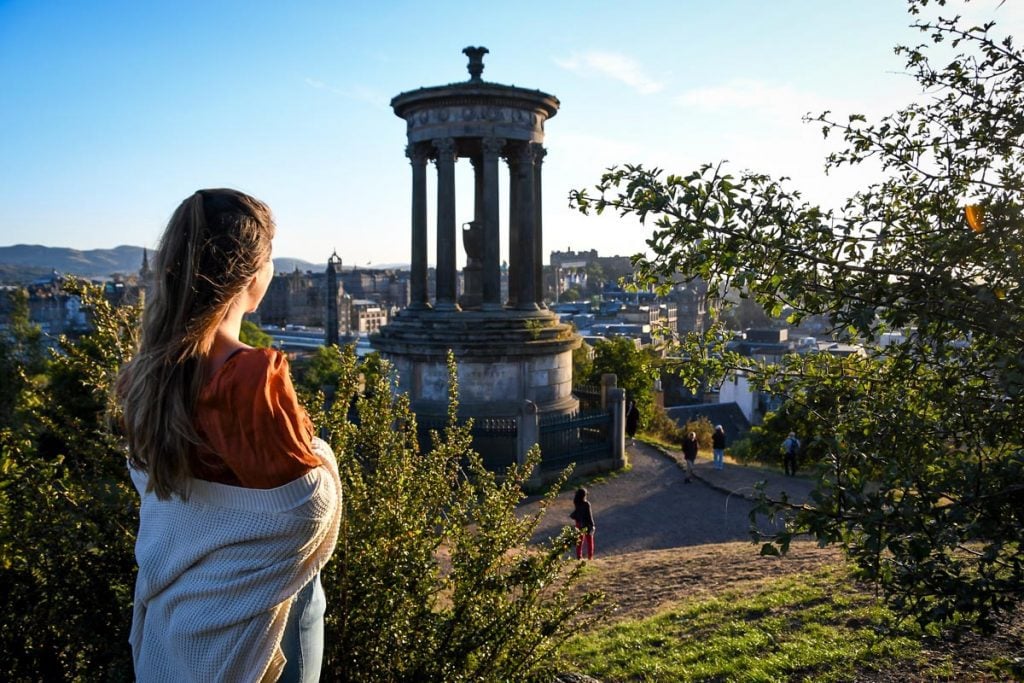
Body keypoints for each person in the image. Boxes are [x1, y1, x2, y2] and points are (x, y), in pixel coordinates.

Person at [117, 189, 342, 682]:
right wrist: (324, 455)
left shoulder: (146, 375)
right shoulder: (249, 379)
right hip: (263, 625)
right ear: (252, 274)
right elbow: (302, 510)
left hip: (179, 610)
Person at [569, 487, 596, 560]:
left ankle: (579, 556)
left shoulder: (576, 502)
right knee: (589, 541)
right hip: (587, 524)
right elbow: (589, 516)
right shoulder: (586, 504)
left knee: (579, 541)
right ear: (584, 495)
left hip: (579, 523)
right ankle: (590, 557)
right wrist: (593, 525)